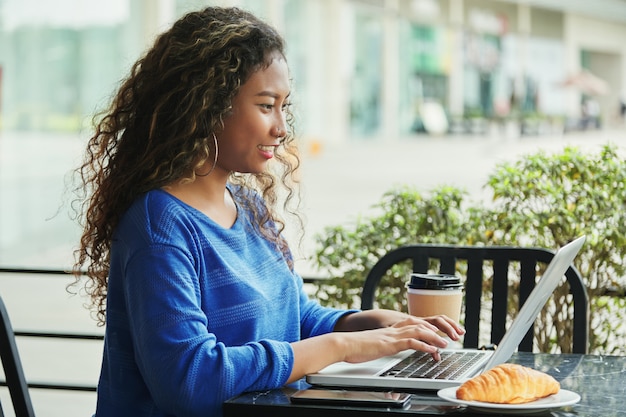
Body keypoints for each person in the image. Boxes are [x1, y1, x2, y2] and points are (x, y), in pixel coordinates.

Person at [70, 6, 464, 417]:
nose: (282, 127)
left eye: (283, 106)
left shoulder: (248, 206)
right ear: (205, 106)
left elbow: (296, 318)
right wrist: (343, 347)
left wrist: (369, 324)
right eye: (265, 105)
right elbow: (191, 382)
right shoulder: (158, 227)